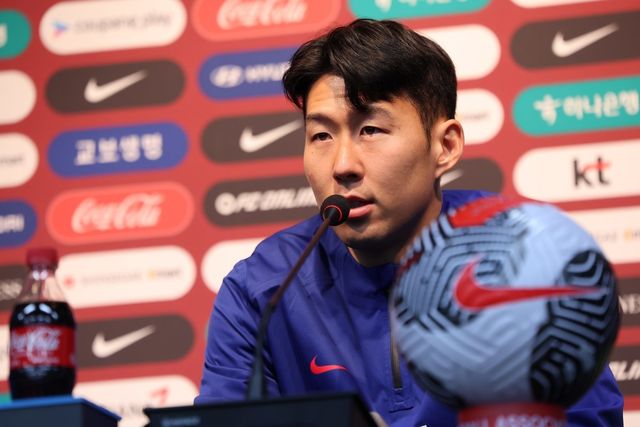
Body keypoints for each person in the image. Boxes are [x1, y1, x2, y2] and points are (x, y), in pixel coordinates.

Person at [195, 19, 623, 426]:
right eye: (321, 136)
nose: (342, 165)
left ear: (445, 146)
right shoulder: (262, 291)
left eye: (371, 130)